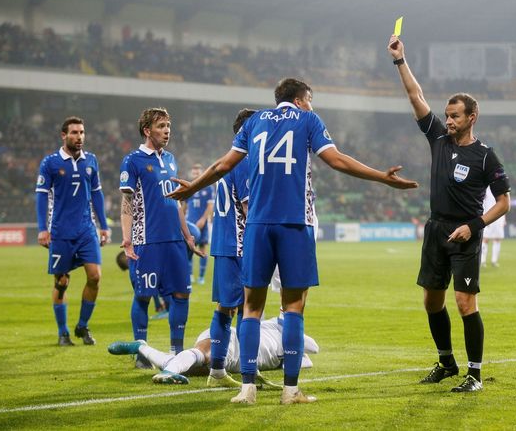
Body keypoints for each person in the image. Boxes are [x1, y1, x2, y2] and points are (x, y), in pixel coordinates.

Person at [167, 78, 417, 405]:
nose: (312, 106)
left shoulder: (254, 121)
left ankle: (247, 390)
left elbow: (223, 164)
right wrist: (382, 177)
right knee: (294, 306)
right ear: (300, 100)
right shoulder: (307, 120)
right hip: (294, 224)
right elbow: (337, 159)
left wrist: (192, 188)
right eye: (310, 100)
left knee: (252, 308)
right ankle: (290, 390)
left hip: (256, 225)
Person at [388, 35, 511, 393]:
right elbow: (416, 96)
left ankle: (474, 374)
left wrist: (474, 227)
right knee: (431, 300)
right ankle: (446, 362)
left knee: (464, 301)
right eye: (447, 115)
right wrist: (400, 60)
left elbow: (503, 202)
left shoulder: (486, 156)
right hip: (436, 229)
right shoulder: (438, 139)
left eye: (455, 116)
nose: (449, 120)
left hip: (466, 233)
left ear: (472, 117)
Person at [119, 107, 202, 365]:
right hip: (147, 241)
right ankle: (140, 353)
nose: (167, 131)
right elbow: (126, 203)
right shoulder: (132, 161)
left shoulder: (171, 159)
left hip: (174, 242)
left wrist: (187, 234)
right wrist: (127, 239)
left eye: (168, 125)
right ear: (147, 130)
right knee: (143, 296)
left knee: (181, 294)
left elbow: (176, 202)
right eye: (161, 126)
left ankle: (176, 352)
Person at [35, 116, 110, 346]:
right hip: (60, 232)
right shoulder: (51, 163)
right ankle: (63, 332)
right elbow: (41, 196)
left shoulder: (91, 161)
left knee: (95, 277)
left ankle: (83, 326)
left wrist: (104, 225)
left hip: (87, 230)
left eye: (82, 132)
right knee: (62, 282)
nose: (79, 137)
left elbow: (97, 193)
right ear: (64, 135)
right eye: (75, 133)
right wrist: (42, 229)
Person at [107, 316, 318, 386]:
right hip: (231, 338)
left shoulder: (279, 342)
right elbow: (312, 347)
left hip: (236, 361)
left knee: (187, 364)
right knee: (201, 354)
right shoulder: (277, 328)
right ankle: (168, 373)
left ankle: (141, 347)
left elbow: (309, 357)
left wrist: (290, 357)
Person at [205, 109, 253, 389]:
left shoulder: (226, 161)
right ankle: (249, 370)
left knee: (226, 308)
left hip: (223, 243)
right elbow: (249, 209)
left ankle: (218, 371)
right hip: (239, 245)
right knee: (249, 308)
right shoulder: (244, 161)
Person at [183, 164, 214, 285]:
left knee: (202, 248)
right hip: (190, 222)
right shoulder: (189, 186)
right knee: (189, 248)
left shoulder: (208, 188)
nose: (195, 173)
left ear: (202, 172)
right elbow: (184, 205)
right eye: (194, 171)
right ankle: (189, 274)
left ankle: (201, 276)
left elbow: (210, 205)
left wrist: (203, 219)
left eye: (197, 171)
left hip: (203, 223)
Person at [481, 187, 506, 267]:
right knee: (485, 238)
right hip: (488, 215)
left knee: (497, 238)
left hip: (500, 217)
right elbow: (482, 203)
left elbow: (505, 203)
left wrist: (504, 218)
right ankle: (482, 260)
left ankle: (494, 261)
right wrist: (483, 216)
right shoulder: (485, 188)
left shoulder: (501, 186)